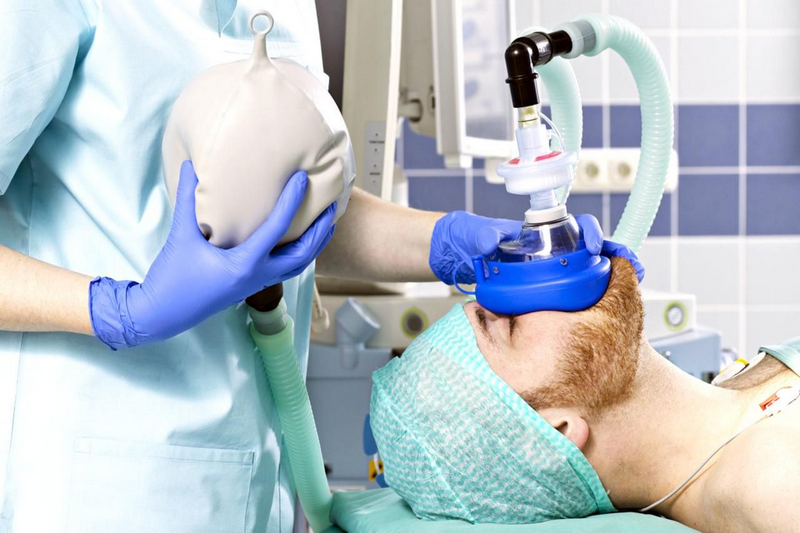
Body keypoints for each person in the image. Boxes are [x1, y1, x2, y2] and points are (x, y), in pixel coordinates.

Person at [0, 2, 637, 531]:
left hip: (258, 474)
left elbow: (290, 210)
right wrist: (119, 310)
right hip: (98, 478)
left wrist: (452, 243)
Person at [371, 256, 800, 532]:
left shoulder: (738, 391)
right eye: (509, 326)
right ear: (555, 434)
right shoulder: (772, 487)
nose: (528, 288)